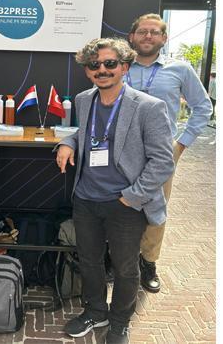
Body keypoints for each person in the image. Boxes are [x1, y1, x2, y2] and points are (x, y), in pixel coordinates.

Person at [55, 38, 174, 344]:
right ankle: (96, 311)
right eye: (94, 65)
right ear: (87, 70)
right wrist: (68, 142)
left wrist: (131, 198)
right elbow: (86, 134)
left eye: (110, 63)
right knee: (89, 260)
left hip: (126, 203)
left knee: (125, 267)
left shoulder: (148, 107)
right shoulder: (84, 99)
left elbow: (163, 161)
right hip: (86, 199)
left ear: (124, 67)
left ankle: (120, 321)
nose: (102, 70)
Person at [126, 13, 213, 293]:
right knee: (120, 204)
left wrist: (182, 143)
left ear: (164, 38)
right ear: (132, 37)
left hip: (162, 152)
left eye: (154, 32)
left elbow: (203, 107)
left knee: (156, 207)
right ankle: (120, 259)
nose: (148, 36)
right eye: (142, 31)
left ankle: (148, 262)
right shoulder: (118, 66)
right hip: (121, 150)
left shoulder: (180, 69)